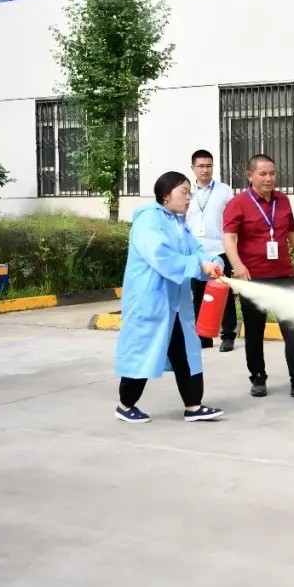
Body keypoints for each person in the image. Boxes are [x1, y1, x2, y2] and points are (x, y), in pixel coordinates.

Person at [113, 171, 226, 423]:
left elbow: (197, 251)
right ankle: (125, 405)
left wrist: (213, 262)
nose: (188, 198)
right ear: (165, 195)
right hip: (150, 301)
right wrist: (199, 265)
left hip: (175, 304)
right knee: (143, 351)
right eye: (183, 192)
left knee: (186, 351)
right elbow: (160, 255)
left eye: (189, 193)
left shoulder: (178, 223)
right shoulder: (149, 221)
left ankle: (193, 406)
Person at [223, 154, 294, 398]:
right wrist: (238, 265)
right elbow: (229, 238)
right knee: (254, 329)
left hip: (283, 275)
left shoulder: (282, 200)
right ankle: (258, 377)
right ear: (250, 176)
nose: (268, 178)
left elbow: (293, 233)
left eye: (272, 173)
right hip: (252, 277)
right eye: (263, 174)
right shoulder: (237, 203)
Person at [185, 149, 238, 351]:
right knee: (198, 295)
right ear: (193, 168)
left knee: (224, 294)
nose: (205, 170)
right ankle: (203, 336)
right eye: (201, 166)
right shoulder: (187, 192)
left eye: (209, 165)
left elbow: (234, 220)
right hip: (196, 253)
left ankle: (228, 335)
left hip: (219, 250)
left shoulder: (224, 191)